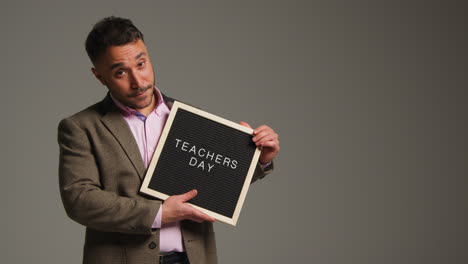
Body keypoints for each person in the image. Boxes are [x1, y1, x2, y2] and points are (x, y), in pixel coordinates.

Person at [58, 16, 280, 264]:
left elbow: (214, 180)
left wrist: (258, 160)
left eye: (141, 64)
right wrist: (158, 213)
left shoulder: (190, 118)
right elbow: (80, 199)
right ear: (99, 76)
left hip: (194, 257)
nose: (138, 81)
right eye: (121, 72)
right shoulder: (81, 127)